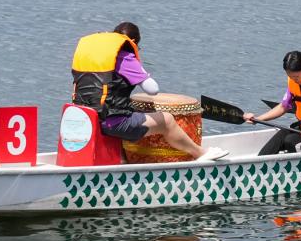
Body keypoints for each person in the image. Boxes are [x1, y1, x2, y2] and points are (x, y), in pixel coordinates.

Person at [70, 22, 226, 161]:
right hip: (112, 124)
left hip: (85, 120)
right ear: (134, 42)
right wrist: (138, 68)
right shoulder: (125, 57)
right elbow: (153, 89)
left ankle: (123, 160)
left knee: (128, 109)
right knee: (167, 120)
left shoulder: (92, 57)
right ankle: (200, 153)